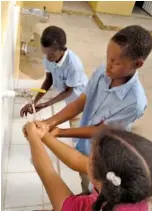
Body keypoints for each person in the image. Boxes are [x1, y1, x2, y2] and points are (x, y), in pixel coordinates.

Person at [35, 25, 152, 191]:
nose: (108, 65)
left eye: (115, 62)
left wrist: (60, 132)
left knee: (95, 184)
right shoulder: (103, 72)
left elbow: (101, 130)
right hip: (84, 138)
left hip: (102, 151)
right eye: (108, 58)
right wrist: (48, 122)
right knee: (80, 167)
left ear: (138, 64)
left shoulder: (135, 103)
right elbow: (81, 101)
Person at [24, 122, 152, 211]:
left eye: (90, 154)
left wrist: (32, 135)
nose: (85, 157)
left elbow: (47, 171)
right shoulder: (134, 188)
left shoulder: (85, 207)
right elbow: (77, 159)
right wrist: (43, 136)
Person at [20, 26, 88, 117]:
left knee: (71, 117)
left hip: (76, 95)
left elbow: (68, 91)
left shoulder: (74, 66)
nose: (47, 58)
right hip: (63, 90)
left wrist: (46, 104)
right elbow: (49, 80)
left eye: (51, 54)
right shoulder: (49, 57)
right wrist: (35, 101)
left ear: (62, 49)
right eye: (45, 53)